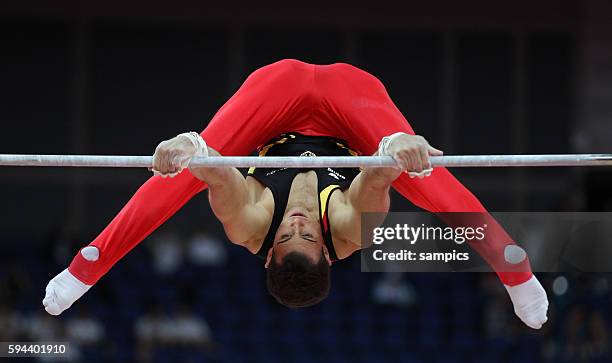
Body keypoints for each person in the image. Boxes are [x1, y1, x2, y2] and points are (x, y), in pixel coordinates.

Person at [42, 59, 548, 328]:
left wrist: (190, 148)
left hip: (276, 102)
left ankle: (86, 266)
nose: (299, 222)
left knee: (187, 172)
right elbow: (375, 180)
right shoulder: (349, 233)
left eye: (289, 232)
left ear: (268, 256)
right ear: (328, 250)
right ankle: (516, 269)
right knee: (419, 175)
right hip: (352, 106)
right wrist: (398, 148)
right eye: (308, 233)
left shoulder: (250, 228)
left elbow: (220, 175)